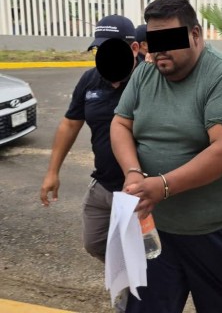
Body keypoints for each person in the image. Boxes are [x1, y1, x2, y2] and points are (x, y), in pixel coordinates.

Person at [110, 0, 222, 313]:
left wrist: (164, 186)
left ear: (195, 34)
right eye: (154, 41)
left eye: (170, 39)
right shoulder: (145, 73)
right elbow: (121, 123)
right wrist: (133, 172)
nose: (160, 50)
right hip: (156, 228)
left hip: (219, 229)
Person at [40, 14, 139, 264]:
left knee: (144, 254)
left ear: (134, 49)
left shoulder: (150, 80)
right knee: (95, 243)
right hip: (103, 184)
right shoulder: (90, 79)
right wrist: (52, 172)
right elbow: (70, 123)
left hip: (140, 189)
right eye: (100, 49)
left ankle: (138, 283)